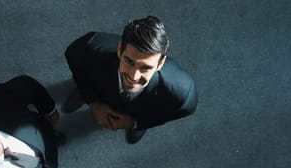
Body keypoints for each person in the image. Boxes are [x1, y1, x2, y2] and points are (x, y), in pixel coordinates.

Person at [64, 16, 198, 144]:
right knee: (89, 79)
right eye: (129, 61)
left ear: (160, 63)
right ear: (119, 49)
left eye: (146, 67)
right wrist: (92, 101)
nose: (133, 77)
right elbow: (72, 56)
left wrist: (137, 122)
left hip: (142, 110)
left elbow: (185, 110)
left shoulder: (182, 91)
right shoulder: (89, 48)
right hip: (99, 80)